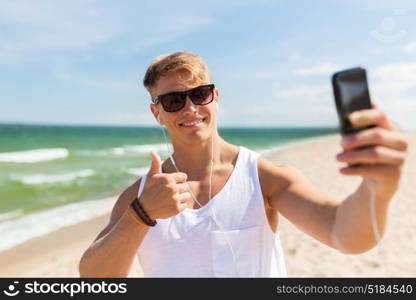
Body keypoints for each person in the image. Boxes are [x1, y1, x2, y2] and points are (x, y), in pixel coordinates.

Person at [79, 51, 409, 277]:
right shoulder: (140, 196)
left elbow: (346, 235)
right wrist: (141, 215)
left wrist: (377, 189)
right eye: (174, 100)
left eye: (200, 94)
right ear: (157, 113)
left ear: (216, 97)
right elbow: (95, 278)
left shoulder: (263, 176)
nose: (190, 108)